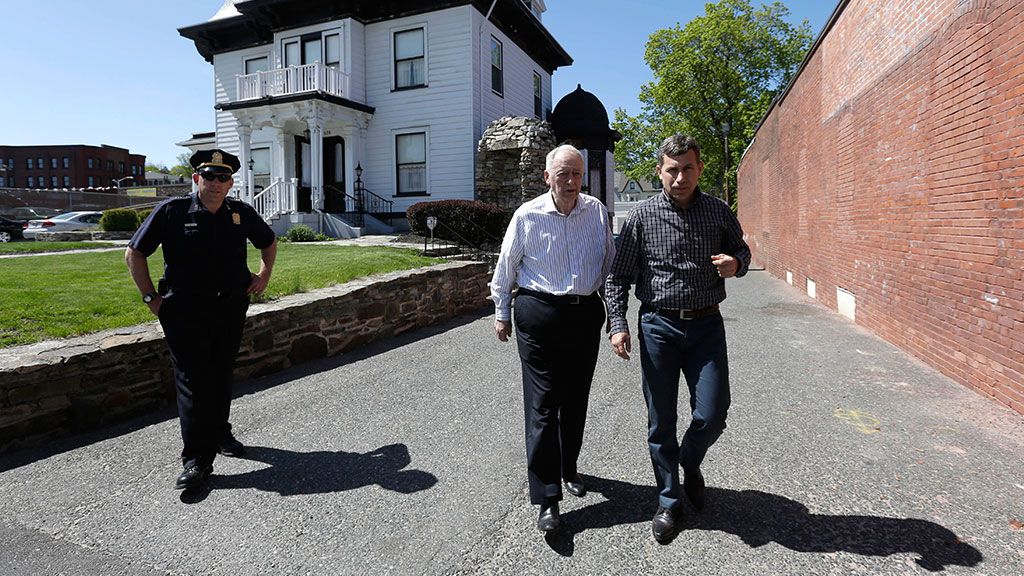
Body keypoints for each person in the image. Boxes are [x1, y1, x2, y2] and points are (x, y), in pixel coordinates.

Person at [606, 134, 751, 543]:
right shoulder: (641, 217)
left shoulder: (718, 211)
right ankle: (669, 501)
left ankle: (690, 458)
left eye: (688, 168)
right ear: (660, 172)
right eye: (672, 170)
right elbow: (618, 276)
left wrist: (736, 263)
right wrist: (617, 324)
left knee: (713, 412)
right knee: (661, 419)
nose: (680, 177)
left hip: (706, 326)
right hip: (659, 327)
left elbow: (743, 251)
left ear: (700, 168)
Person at [125, 149, 278, 490]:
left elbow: (269, 242)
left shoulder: (240, 213)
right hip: (184, 310)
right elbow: (135, 252)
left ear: (230, 183)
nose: (216, 183)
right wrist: (150, 297)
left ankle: (220, 433)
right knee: (194, 380)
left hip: (230, 307)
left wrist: (264, 275)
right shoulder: (172, 211)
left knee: (221, 373)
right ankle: (196, 460)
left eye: (223, 178)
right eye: (209, 176)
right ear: (196, 178)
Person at [491, 144, 615, 533]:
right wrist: (502, 312)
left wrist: (614, 315)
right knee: (543, 403)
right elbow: (506, 265)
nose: (571, 181)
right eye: (563, 173)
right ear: (548, 177)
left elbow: (610, 264)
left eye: (577, 173)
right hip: (539, 313)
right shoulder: (527, 215)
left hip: (584, 313)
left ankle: (569, 466)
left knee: (576, 399)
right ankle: (547, 497)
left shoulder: (596, 211)